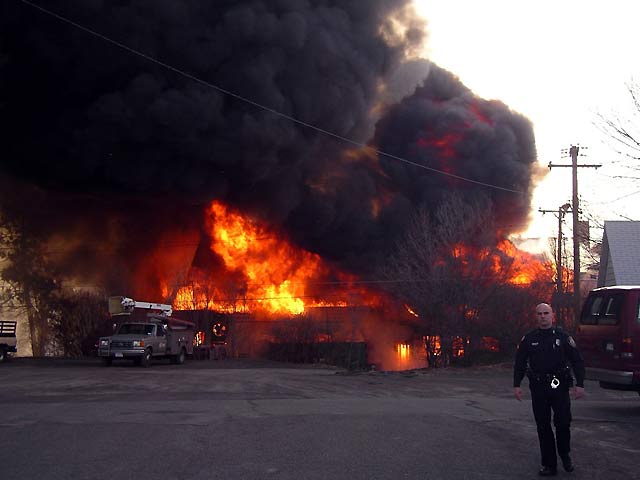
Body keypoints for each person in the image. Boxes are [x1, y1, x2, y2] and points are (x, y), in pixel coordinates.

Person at [513, 303, 585, 477]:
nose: (543, 316)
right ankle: (549, 464)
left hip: (559, 386)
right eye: (539, 313)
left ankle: (565, 454)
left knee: (562, 423)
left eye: (546, 313)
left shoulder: (563, 337)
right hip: (538, 387)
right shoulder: (529, 339)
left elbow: (577, 360)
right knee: (543, 426)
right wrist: (516, 385)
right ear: (535, 316)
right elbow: (520, 363)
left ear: (552, 315)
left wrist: (580, 384)